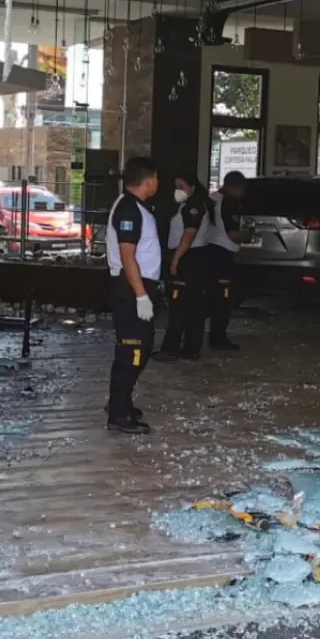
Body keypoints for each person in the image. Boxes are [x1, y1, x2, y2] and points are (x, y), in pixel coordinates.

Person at [105, 156, 161, 435]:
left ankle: (120, 402)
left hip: (136, 285)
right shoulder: (129, 208)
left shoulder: (134, 206)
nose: (158, 184)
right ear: (148, 180)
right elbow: (128, 256)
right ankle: (118, 414)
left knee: (137, 348)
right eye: (157, 179)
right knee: (133, 351)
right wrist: (141, 295)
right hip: (131, 288)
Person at [157, 174, 212, 361]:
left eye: (182, 186)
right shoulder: (189, 205)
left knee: (179, 305)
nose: (178, 190)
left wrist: (175, 260)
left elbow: (188, 236)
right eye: (176, 186)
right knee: (192, 306)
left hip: (189, 259)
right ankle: (190, 347)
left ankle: (172, 348)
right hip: (195, 258)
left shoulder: (193, 207)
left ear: (193, 187)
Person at [205, 170, 248, 351]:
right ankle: (218, 338)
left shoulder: (212, 199)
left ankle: (212, 335)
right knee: (223, 299)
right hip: (223, 254)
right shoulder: (229, 203)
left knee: (212, 297)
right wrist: (248, 236)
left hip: (208, 251)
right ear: (236, 187)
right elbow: (233, 234)